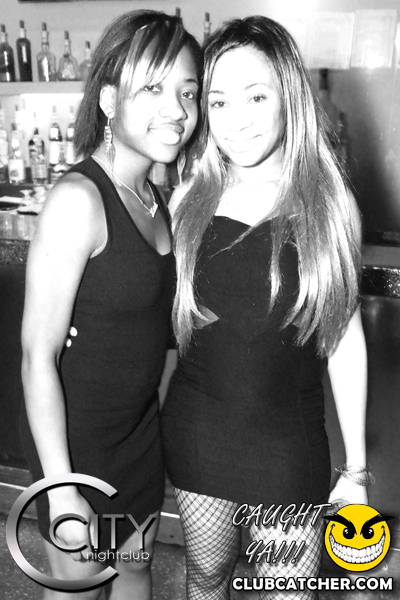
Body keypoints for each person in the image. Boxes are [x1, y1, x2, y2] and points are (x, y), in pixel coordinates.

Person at [161, 16, 369, 600]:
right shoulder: (187, 200)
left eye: (256, 96)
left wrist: (355, 470)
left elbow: (344, 341)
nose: (238, 120)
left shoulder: (330, 207)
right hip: (199, 432)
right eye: (219, 101)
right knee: (206, 579)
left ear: (289, 97)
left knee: (287, 592)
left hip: (288, 445)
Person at [20, 10, 201, 600]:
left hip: (137, 435)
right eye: (153, 89)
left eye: (187, 92)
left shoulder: (153, 197)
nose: (176, 109)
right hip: (79, 444)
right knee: (81, 585)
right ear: (107, 100)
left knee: (134, 568)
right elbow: (37, 356)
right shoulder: (80, 200)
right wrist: (61, 491)